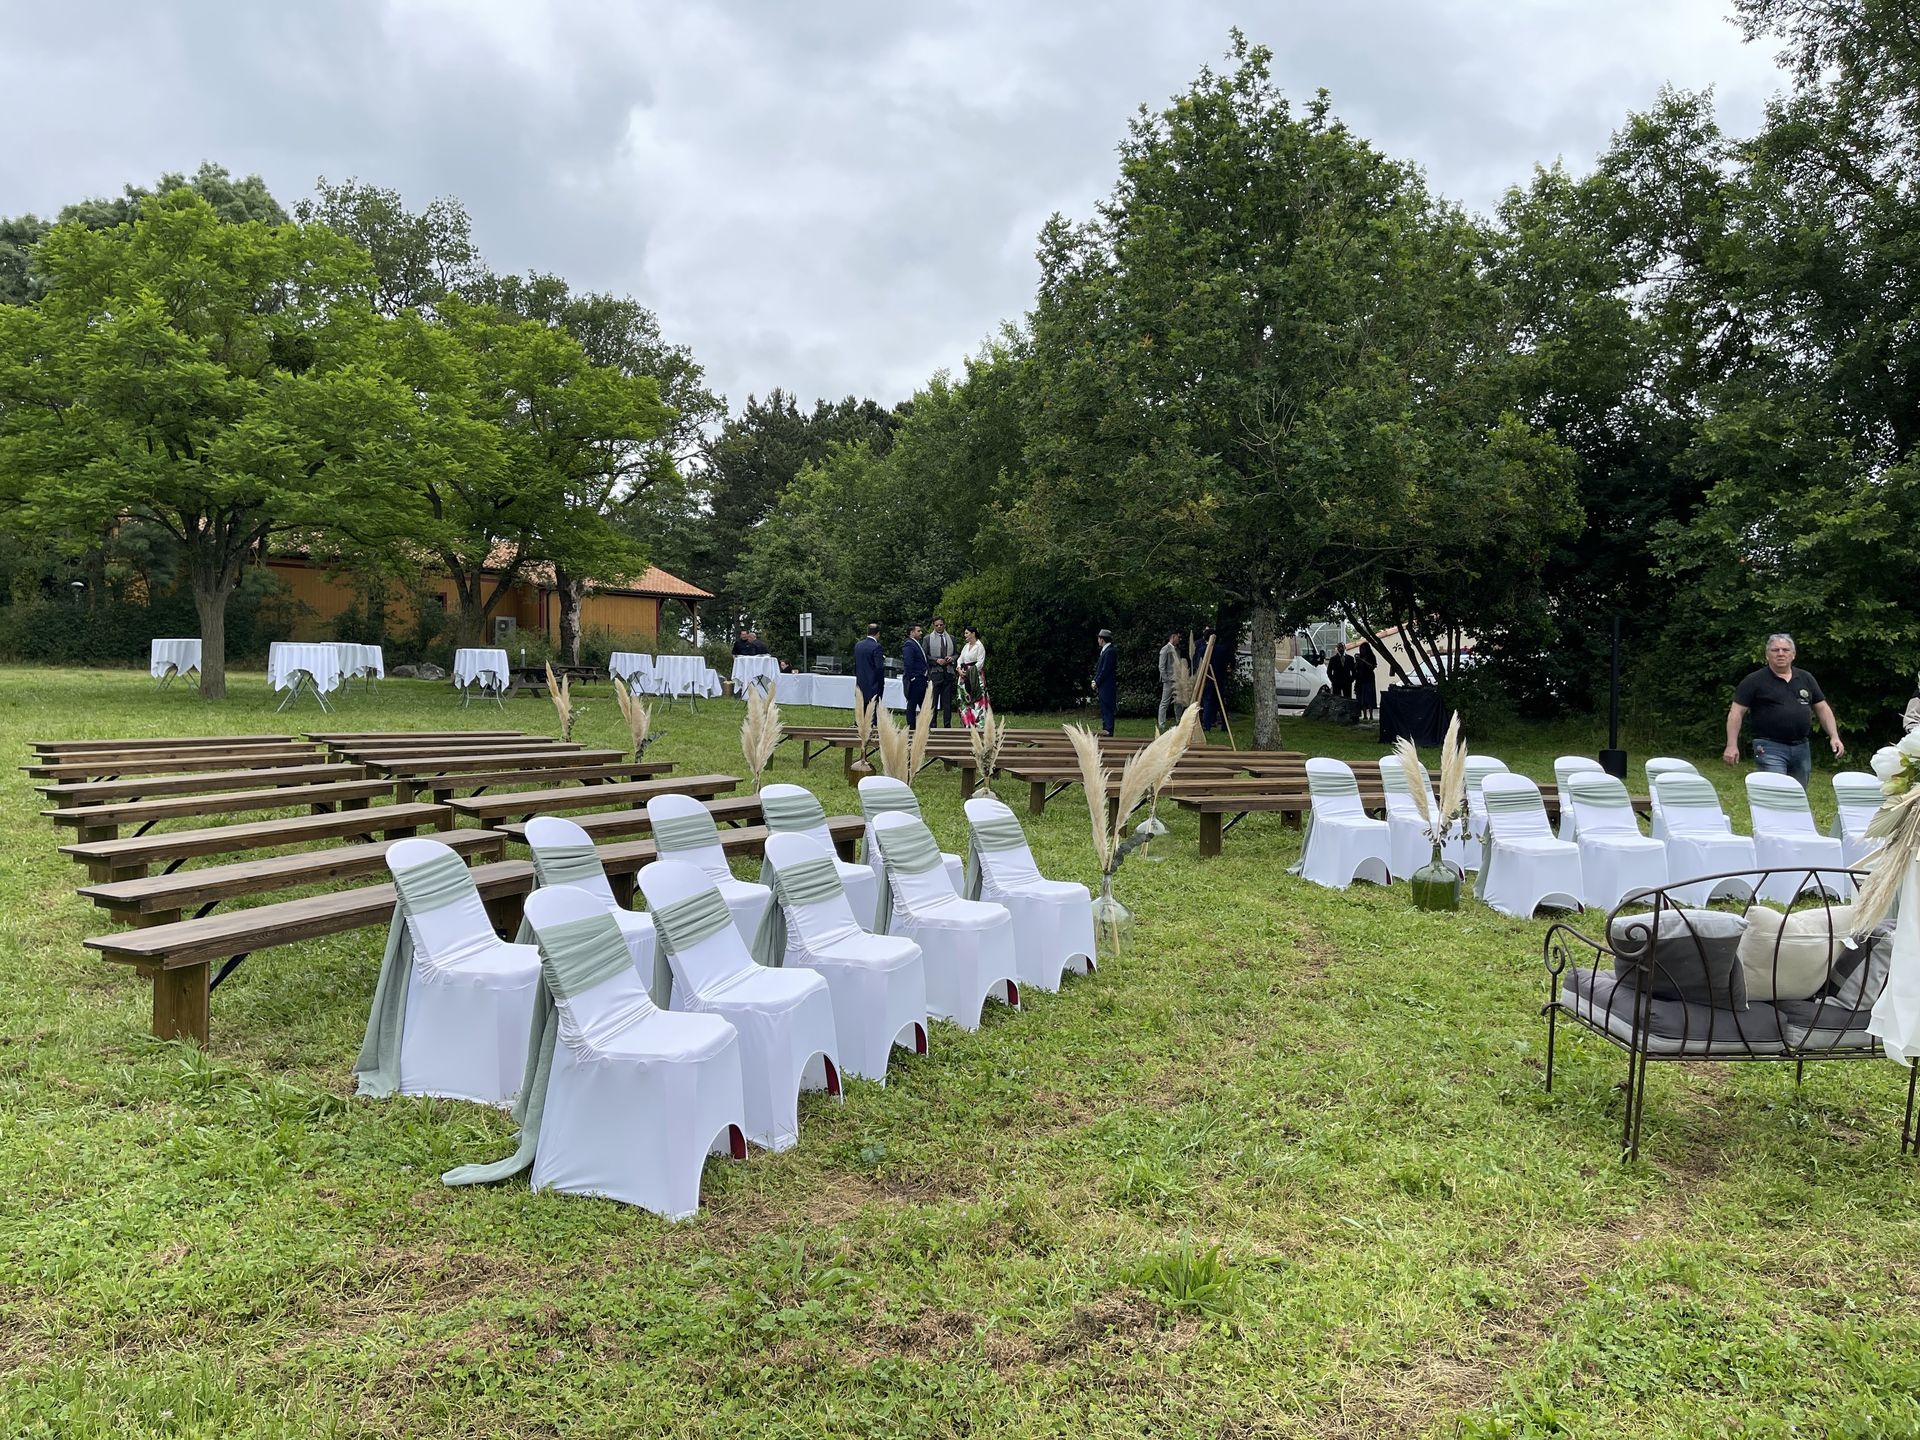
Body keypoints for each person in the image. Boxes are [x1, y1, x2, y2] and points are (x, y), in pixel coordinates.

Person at [1723, 632, 1844, 787]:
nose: (1780, 653)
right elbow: (1736, 713)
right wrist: (1731, 745)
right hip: (1769, 746)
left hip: (1801, 747)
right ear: (1767, 655)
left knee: (1798, 793)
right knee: (1778, 791)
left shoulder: (1805, 678)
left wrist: (1834, 736)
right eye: (1775, 650)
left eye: (1785, 650)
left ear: (1793, 655)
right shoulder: (1754, 681)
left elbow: (1823, 708)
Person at [925, 616, 957, 728]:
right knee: (933, 703)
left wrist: (952, 658)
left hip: (948, 673)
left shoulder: (951, 638)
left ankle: (947, 726)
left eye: (941, 625)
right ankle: (932, 725)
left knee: (947, 703)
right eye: (937, 625)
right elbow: (925, 656)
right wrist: (936, 660)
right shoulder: (927, 638)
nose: (939, 627)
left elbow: (956, 654)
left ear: (944, 625)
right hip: (935, 673)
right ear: (933, 626)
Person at [853, 622, 885, 715]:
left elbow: (856, 664)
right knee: (873, 707)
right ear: (878, 633)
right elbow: (879, 667)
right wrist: (881, 682)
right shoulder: (876, 647)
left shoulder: (858, 645)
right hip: (874, 682)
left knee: (861, 704)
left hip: (861, 680)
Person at [901, 623, 928, 730]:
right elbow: (908, 662)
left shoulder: (916, 644)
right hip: (916, 679)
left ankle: (924, 726)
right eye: (918, 631)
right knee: (912, 703)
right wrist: (912, 677)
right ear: (912, 633)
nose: (921, 633)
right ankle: (911, 726)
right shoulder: (909, 644)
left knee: (923, 704)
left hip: (921, 678)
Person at [1092, 627, 1118, 736]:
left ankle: (1108, 732)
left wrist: (1096, 682)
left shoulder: (1110, 651)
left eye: (1099, 638)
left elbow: (1105, 670)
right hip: (1103, 686)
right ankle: (1106, 729)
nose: (1098, 640)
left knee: (1107, 709)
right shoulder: (1105, 651)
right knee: (1104, 709)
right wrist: (1095, 680)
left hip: (1107, 686)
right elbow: (1100, 669)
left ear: (1102, 639)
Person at [1157, 629, 1183, 731]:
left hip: (1177, 679)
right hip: (1169, 681)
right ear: (1173, 636)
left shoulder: (1177, 650)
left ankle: (1179, 721)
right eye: (1178, 637)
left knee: (1178, 703)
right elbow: (1161, 666)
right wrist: (1166, 679)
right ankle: (1161, 724)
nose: (1179, 639)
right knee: (1165, 702)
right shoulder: (1165, 649)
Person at [958, 625, 987, 714]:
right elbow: (960, 659)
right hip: (963, 674)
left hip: (975, 675)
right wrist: (959, 669)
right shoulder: (966, 646)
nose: (965, 635)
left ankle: (979, 722)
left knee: (977, 697)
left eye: (967, 633)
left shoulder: (979, 646)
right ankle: (967, 721)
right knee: (964, 697)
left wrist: (970, 672)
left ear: (973, 634)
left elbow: (980, 662)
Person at [1196, 625, 1220, 731]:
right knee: (1215, 701)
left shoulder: (1202, 649)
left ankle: (1207, 724)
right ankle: (1213, 721)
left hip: (1208, 677)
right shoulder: (1221, 649)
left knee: (1207, 700)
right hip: (1219, 678)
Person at [1355, 642, 1377, 722]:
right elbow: (1356, 667)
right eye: (1361, 649)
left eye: (1363, 649)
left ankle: (1371, 714)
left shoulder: (1371, 657)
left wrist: (1363, 661)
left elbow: (1372, 666)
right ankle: (1364, 715)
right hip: (1361, 679)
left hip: (1369, 678)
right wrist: (1357, 662)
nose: (1362, 651)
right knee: (1362, 697)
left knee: (1369, 696)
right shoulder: (1359, 657)